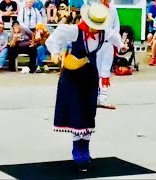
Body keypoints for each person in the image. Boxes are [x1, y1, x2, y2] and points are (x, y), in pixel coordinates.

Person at [45, 2, 123, 171]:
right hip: (72, 77)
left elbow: (117, 39)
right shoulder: (73, 31)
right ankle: (78, 151)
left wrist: (122, 47)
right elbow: (54, 38)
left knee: (89, 112)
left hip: (90, 77)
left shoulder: (104, 33)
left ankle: (85, 148)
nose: (97, 29)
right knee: (76, 113)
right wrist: (55, 53)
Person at [95, 0, 120, 110]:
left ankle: (103, 98)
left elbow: (116, 27)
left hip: (108, 44)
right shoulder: (94, 8)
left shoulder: (113, 9)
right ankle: (94, 97)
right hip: (96, 43)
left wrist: (117, 42)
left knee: (105, 71)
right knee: (95, 71)